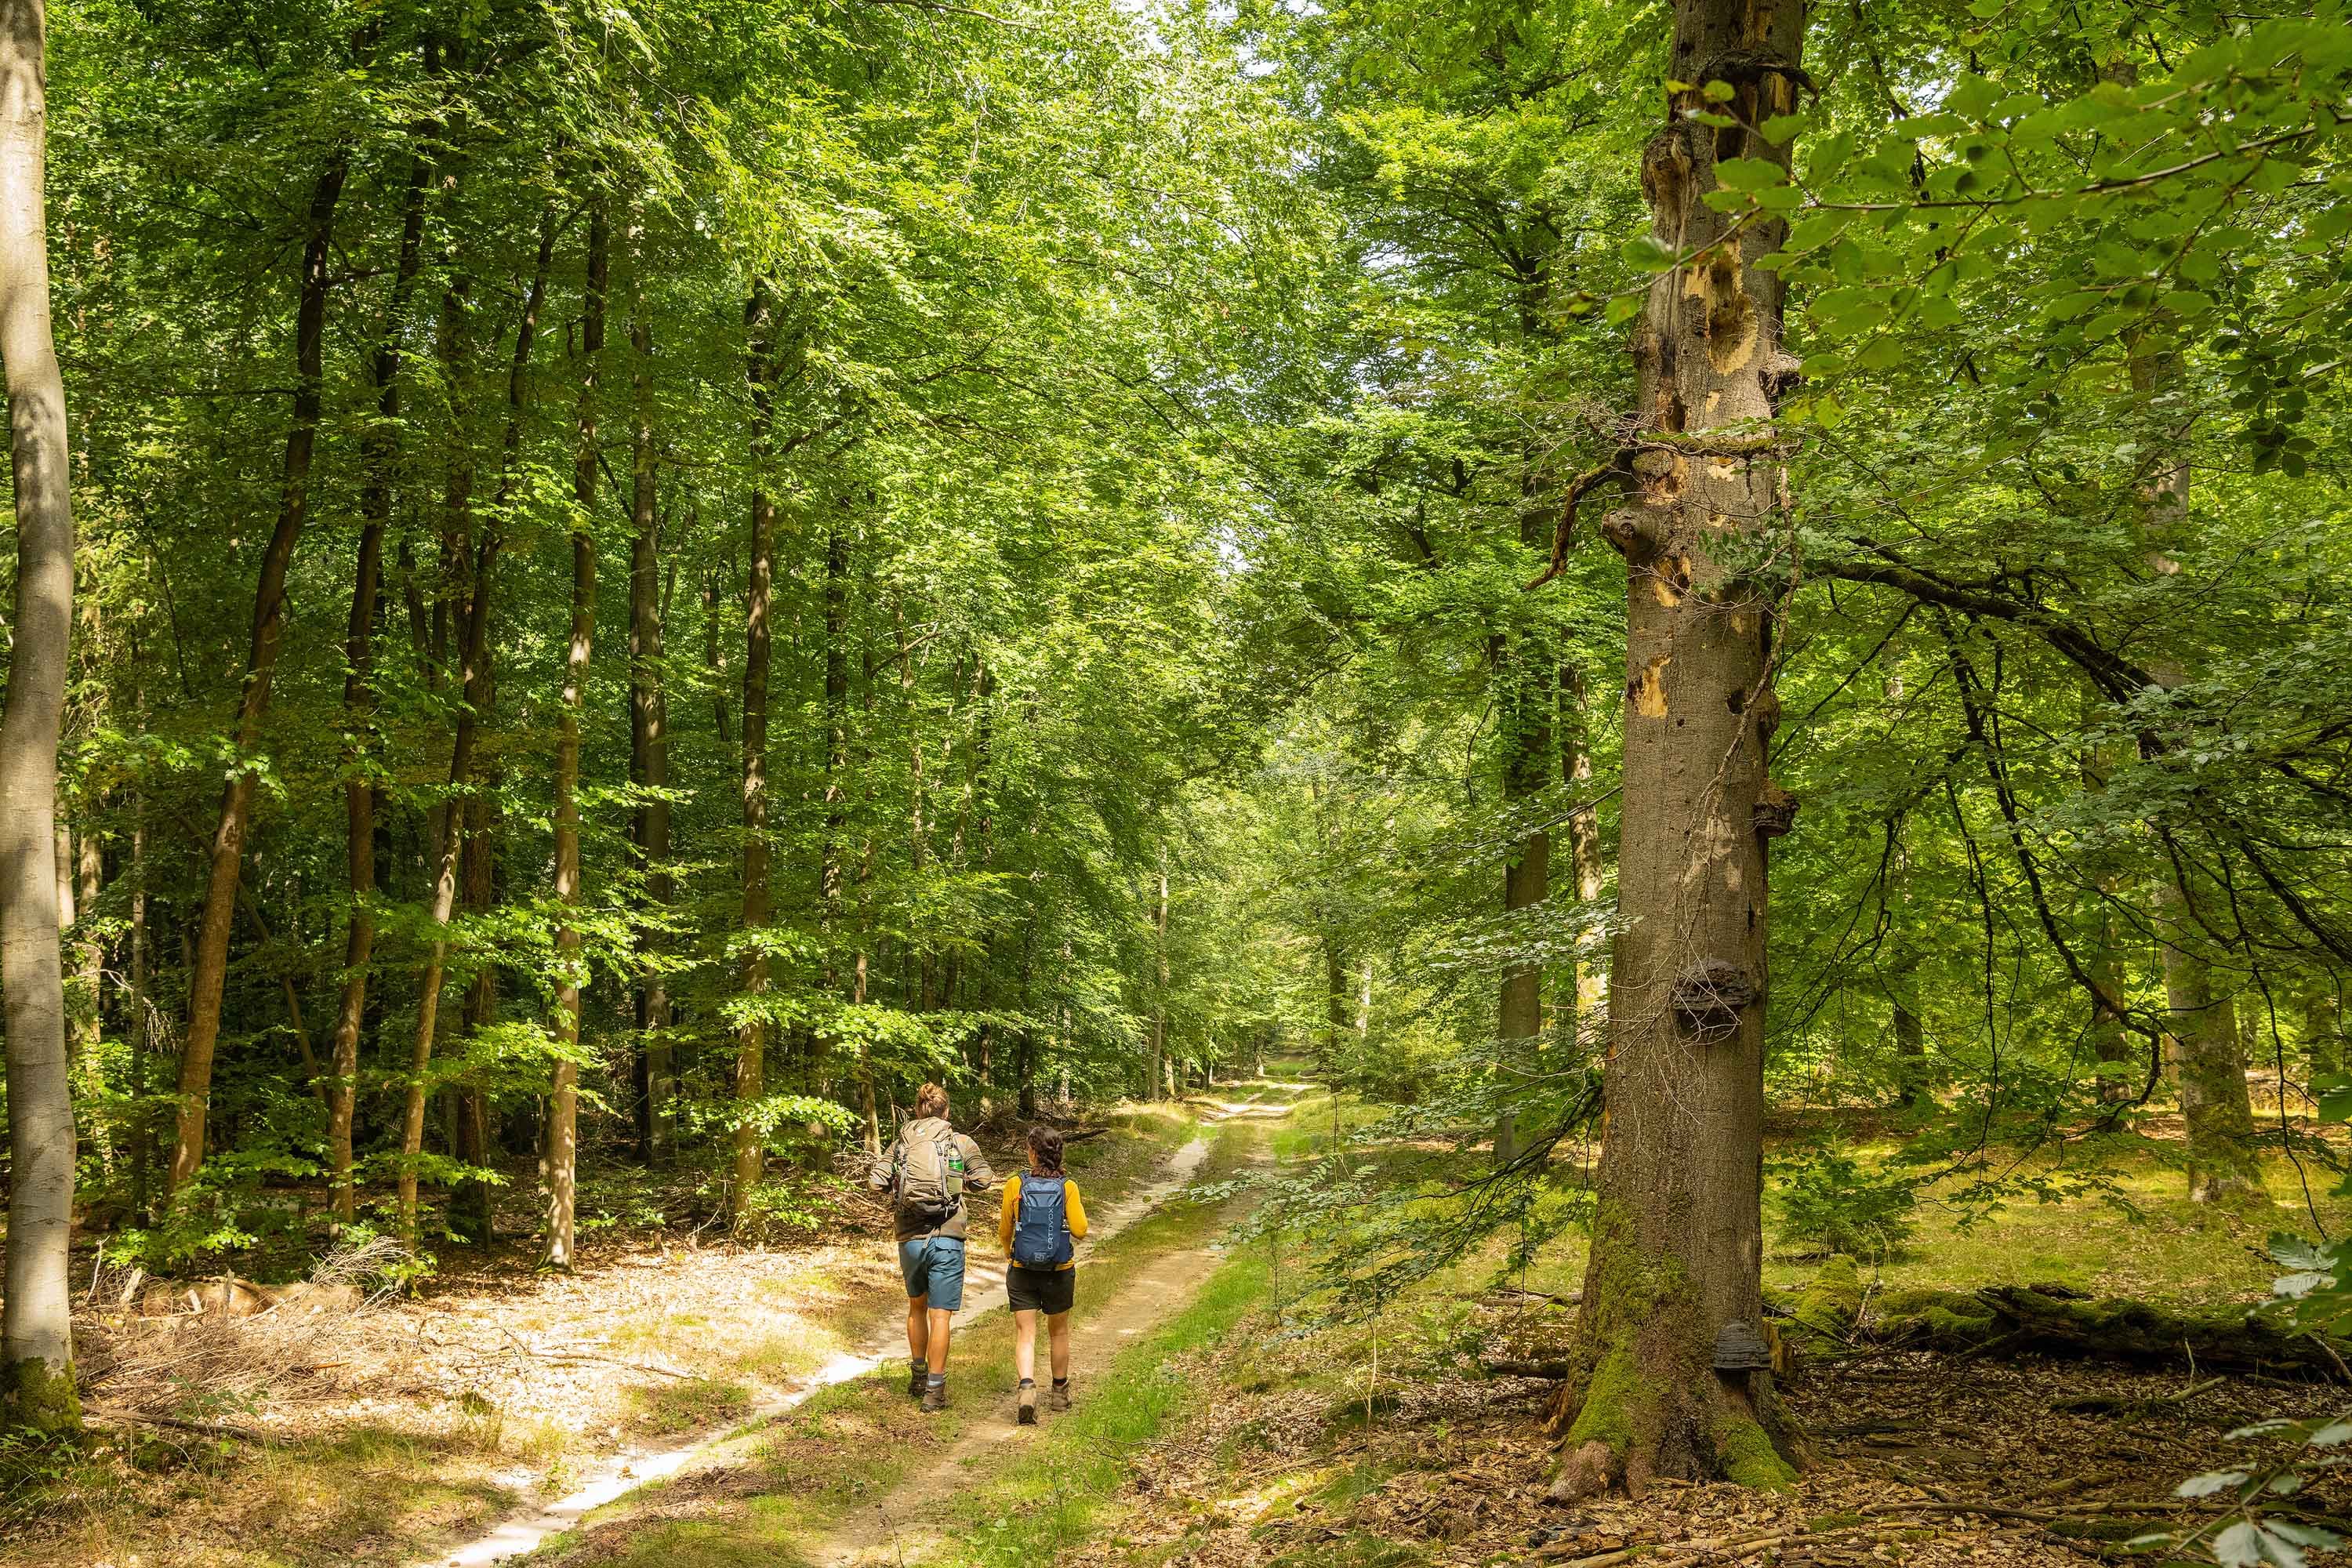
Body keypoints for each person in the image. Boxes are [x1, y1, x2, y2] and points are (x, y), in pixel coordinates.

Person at [869, 1083, 996, 1412]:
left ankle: (917, 1375)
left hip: (909, 1237)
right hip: (949, 1236)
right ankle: (935, 1392)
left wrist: (902, 1187)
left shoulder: (900, 1144)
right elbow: (985, 1179)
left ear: (917, 1110)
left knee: (917, 1307)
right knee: (941, 1315)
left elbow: (876, 1181)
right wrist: (956, 1182)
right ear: (947, 1112)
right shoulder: (961, 1142)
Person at [998, 1125, 1087, 1424]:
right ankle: (1060, 1394)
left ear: (1033, 1153)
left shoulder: (1014, 1184)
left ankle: (1026, 1390)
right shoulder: (1068, 1187)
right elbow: (1081, 1230)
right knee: (1058, 1331)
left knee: (1026, 1333)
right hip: (1058, 1270)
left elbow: (1005, 1229)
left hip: (1022, 1269)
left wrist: (1009, 1252)